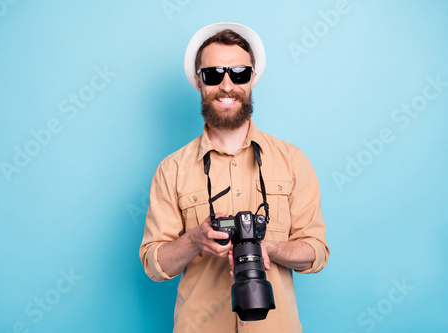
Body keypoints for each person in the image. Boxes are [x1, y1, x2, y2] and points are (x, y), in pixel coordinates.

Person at [139, 22, 329, 332]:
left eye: (238, 73)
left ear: (252, 78)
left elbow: (316, 252)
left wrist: (270, 247)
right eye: (213, 74)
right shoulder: (171, 169)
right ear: (199, 82)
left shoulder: (292, 161)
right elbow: (154, 265)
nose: (227, 86)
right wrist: (194, 240)